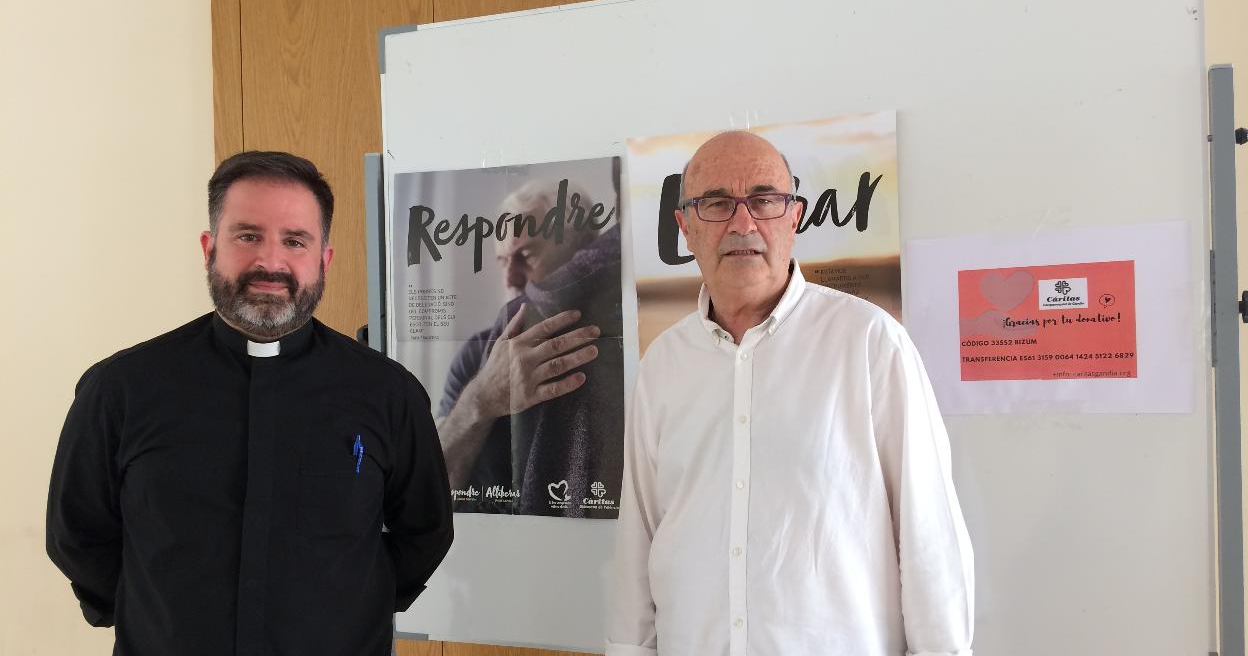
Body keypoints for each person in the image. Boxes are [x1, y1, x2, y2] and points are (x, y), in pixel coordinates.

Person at [46, 151, 454, 656]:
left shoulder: (389, 394)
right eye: (247, 236)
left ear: (323, 259)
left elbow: (426, 533)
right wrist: (151, 611)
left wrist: (351, 606)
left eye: (295, 240)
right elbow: (78, 536)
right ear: (209, 247)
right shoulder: (120, 389)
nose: (270, 261)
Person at [606, 131, 974, 655]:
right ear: (684, 227)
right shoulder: (664, 364)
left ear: (794, 217)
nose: (742, 222)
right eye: (715, 203)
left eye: (763, 200)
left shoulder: (869, 342)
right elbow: (638, 537)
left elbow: (930, 537)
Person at [436, 176, 624, 517]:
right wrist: (481, 399)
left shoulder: (625, 344)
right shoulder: (475, 355)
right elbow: (429, 491)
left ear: (583, 251)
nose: (510, 279)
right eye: (502, 260)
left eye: (526, 255)